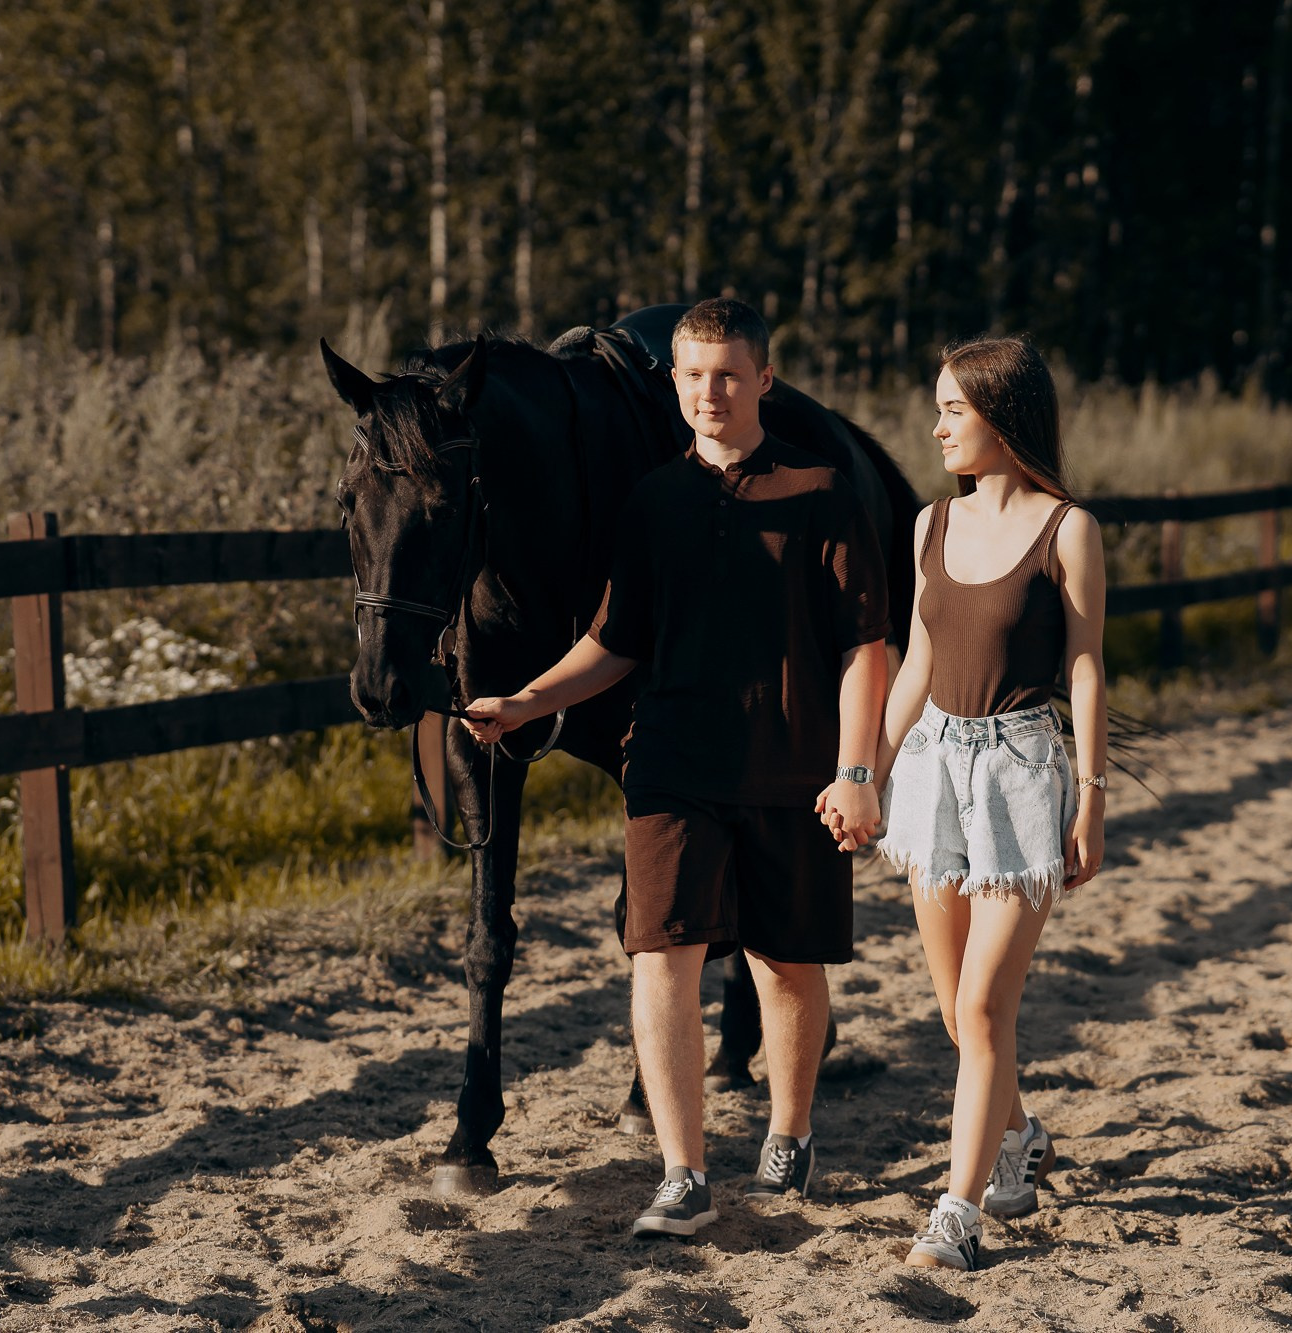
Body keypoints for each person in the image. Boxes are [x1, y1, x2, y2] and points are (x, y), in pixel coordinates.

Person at [461, 298, 891, 1239]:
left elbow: (866, 647)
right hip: (671, 764)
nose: (710, 393)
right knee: (660, 957)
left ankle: (789, 1132)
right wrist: (530, 701)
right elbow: (615, 640)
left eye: (729, 374)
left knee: (786, 964)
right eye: (693, 376)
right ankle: (683, 1170)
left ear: (764, 380)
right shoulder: (654, 500)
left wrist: (858, 769)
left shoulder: (824, 491)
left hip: (792, 767)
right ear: (676, 383)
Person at [868, 335, 1108, 1272]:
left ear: (1004, 419)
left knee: (982, 1006)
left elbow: (1086, 668)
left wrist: (1091, 799)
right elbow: (917, 665)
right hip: (935, 769)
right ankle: (1019, 1139)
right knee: (955, 1011)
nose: (936, 428)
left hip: (1020, 775)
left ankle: (956, 1216)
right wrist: (867, 773)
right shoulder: (930, 526)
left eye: (953, 411)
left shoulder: (1069, 529)